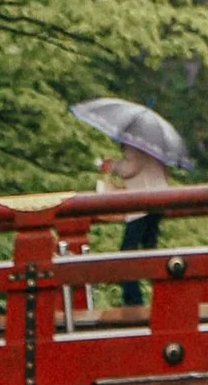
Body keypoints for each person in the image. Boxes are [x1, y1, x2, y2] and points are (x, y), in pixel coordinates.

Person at [69, 96, 189, 310]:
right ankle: (166, 298)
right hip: (159, 201)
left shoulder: (134, 145)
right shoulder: (154, 147)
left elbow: (129, 168)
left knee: (127, 252)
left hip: (141, 204)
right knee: (151, 250)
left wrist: (111, 165)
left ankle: (133, 301)